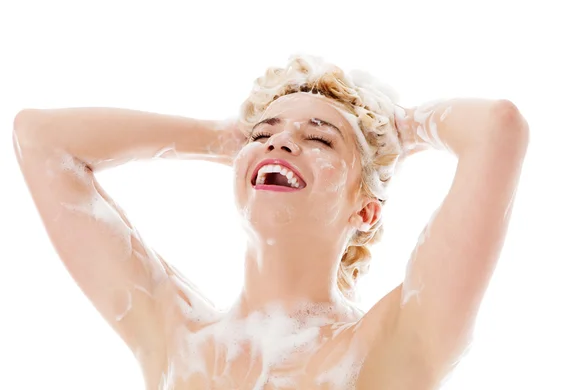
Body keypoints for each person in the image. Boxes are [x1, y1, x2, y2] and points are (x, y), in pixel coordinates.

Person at [12, 54, 529, 390]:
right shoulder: (176, 338)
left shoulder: (393, 342)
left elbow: (496, 130)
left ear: (365, 209)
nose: (281, 142)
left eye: (321, 139)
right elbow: (40, 139)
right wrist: (219, 139)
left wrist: (397, 127)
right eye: (264, 133)